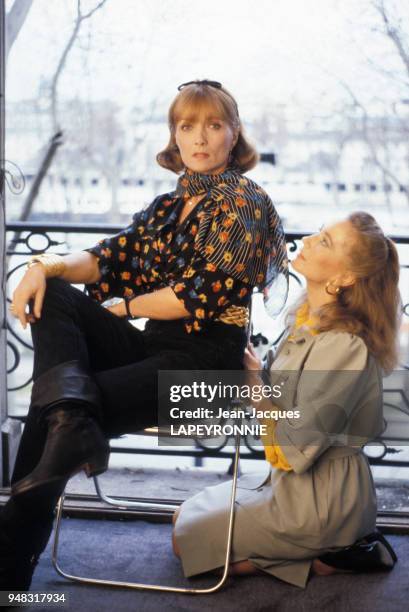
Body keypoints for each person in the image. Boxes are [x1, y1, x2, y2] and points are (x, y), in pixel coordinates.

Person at [4, 80, 288, 590]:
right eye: (187, 126)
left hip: (207, 372)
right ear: (174, 136)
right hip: (154, 350)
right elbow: (105, 259)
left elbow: (196, 295)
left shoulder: (245, 201)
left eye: (213, 125)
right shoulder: (165, 207)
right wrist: (41, 265)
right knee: (60, 315)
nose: (199, 138)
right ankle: (73, 424)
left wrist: (127, 305)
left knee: (53, 412)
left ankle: (7, 564)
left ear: (234, 133)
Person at [172, 212, 400, 588]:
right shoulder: (307, 318)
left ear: (344, 278)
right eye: (318, 232)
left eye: (325, 241)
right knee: (181, 517)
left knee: (185, 544)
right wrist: (254, 369)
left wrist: (255, 386)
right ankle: (320, 554)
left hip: (323, 501)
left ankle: (324, 559)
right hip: (286, 482)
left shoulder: (345, 345)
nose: (308, 240)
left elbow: (299, 442)